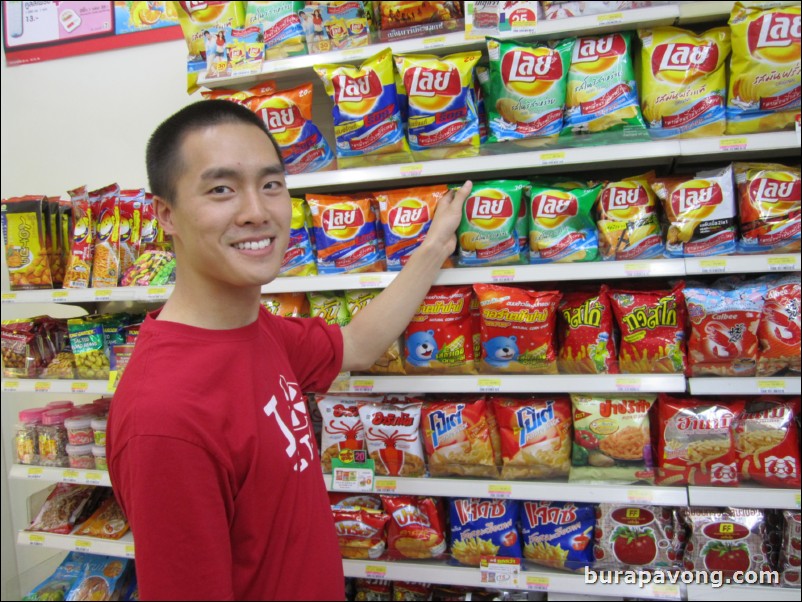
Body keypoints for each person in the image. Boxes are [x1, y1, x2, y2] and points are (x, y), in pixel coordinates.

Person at [106, 99, 470, 601]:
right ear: (165, 214)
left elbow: (357, 345)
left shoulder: (261, 333)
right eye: (221, 190)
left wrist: (432, 249)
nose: (257, 212)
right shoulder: (166, 418)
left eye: (271, 184)